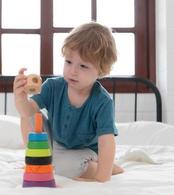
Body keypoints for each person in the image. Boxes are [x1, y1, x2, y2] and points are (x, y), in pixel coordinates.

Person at [13, 22, 124, 182]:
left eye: (83, 66)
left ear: (101, 70)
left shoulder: (102, 101)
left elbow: (106, 141)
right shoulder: (53, 86)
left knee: (64, 167)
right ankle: (36, 158)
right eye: (69, 62)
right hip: (57, 144)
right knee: (30, 115)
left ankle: (107, 167)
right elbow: (27, 112)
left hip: (85, 151)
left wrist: (102, 177)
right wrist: (20, 97)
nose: (73, 71)